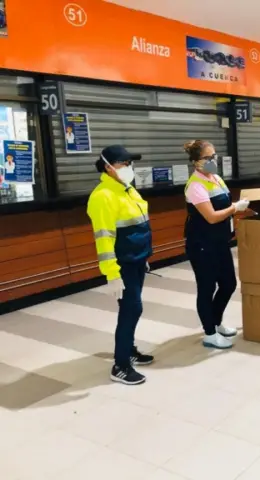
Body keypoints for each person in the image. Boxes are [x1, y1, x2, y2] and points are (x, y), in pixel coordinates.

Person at [87, 145, 154, 386]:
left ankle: (129, 350)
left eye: (129, 164)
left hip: (137, 260)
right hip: (122, 266)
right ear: (107, 167)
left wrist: (144, 256)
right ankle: (121, 365)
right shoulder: (102, 196)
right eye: (123, 164)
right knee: (131, 310)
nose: (128, 168)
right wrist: (112, 275)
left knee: (132, 310)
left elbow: (139, 227)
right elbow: (104, 239)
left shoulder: (127, 190)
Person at [183, 140, 249, 349]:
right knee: (206, 287)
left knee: (229, 284)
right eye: (208, 158)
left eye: (214, 156)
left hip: (220, 242)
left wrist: (236, 208)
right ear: (196, 162)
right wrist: (235, 208)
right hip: (202, 244)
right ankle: (209, 333)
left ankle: (216, 321)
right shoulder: (195, 185)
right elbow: (211, 217)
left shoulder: (217, 179)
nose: (213, 161)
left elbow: (225, 206)